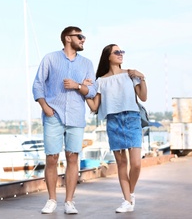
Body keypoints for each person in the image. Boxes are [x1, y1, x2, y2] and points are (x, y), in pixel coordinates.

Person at [32, 26, 97, 214]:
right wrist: (45, 107)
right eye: (80, 36)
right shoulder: (50, 59)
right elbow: (38, 84)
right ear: (68, 38)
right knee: (52, 158)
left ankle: (69, 201)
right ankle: (51, 199)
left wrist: (77, 85)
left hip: (76, 116)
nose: (83, 40)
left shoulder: (87, 64)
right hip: (54, 115)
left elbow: (92, 91)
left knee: (72, 157)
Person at [85, 43, 147, 213]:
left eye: (121, 51)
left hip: (132, 119)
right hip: (113, 121)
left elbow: (143, 96)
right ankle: (127, 200)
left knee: (136, 164)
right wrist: (83, 91)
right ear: (108, 57)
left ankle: (131, 193)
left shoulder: (130, 74)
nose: (120, 54)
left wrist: (142, 77)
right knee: (121, 164)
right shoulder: (101, 81)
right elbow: (94, 107)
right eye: (116, 52)